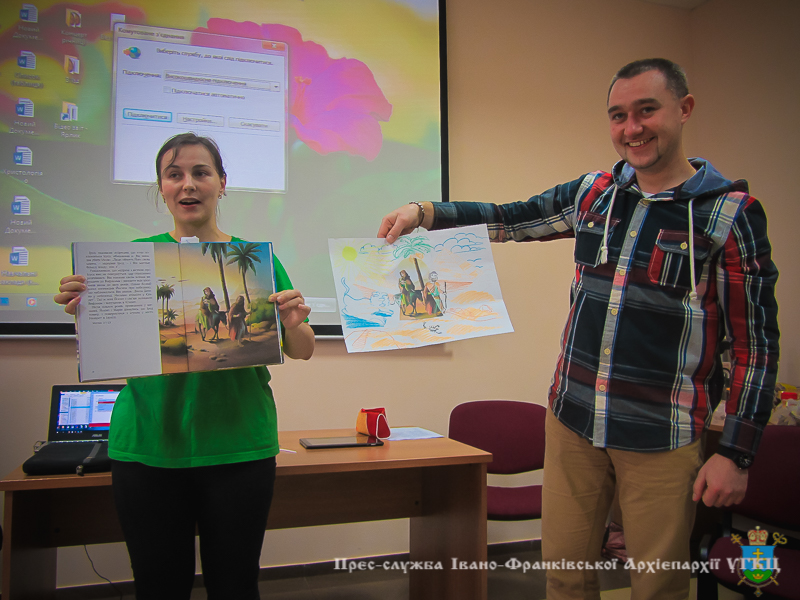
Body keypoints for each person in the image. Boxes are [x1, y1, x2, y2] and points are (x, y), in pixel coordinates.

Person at [378, 58, 779, 599]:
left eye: (646, 111)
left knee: (658, 589)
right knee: (565, 579)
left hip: (661, 435)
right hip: (573, 421)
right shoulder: (595, 193)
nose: (631, 128)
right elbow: (510, 217)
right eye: (618, 115)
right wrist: (423, 212)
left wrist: (735, 453)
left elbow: (756, 345)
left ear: (683, 109)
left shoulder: (729, 214)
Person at [55, 133, 315, 600]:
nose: (188, 184)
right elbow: (114, 343)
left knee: (235, 585)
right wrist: (89, 315)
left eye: (201, 172)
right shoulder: (130, 259)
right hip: (148, 448)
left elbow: (304, 349)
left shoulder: (259, 260)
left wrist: (293, 324)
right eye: (174, 175)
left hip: (239, 448)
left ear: (222, 183)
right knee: (158, 587)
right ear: (162, 188)